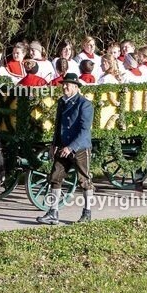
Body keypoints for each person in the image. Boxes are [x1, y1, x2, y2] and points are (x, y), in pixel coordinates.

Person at [38, 73, 95, 225]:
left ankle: (87, 212)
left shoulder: (85, 104)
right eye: (63, 84)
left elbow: (84, 130)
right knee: (55, 177)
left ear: (76, 87)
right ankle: (53, 212)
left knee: (84, 180)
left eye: (67, 85)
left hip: (79, 148)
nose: (64, 87)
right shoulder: (61, 102)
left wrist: (71, 147)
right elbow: (58, 126)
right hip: (63, 147)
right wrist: (54, 144)